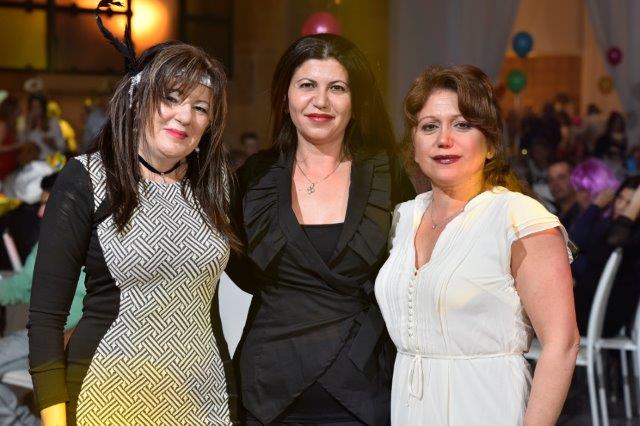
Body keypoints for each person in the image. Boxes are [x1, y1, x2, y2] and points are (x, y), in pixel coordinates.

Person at [28, 5, 238, 424]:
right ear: (138, 100)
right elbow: (46, 320)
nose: (185, 116)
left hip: (205, 399)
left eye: (201, 107)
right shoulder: (87, 178)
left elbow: (209, 307)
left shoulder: (216, 185)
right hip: (106, 398)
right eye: (171, 98)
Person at [375, 65, 579, 425]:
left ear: (491, 144)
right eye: (429, 126)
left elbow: (561, 344)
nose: (444, 139)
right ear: (414, 146)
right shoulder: (403, 217)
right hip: (409, 408)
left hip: (487, 406)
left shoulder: (518, 218)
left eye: (462, 125)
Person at [227, 34, 414, 425]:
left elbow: (408, 268)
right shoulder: (254, 178)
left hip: (363, 387)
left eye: (337, 88)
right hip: (269, 389)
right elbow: (241, 269)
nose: (321, 101)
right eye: (307, 85)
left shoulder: (386, 174)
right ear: (285, 97)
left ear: (356, 101)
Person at [0, 172, 86, 426]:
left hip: (61, 340)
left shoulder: (80, 244)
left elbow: (22, 288)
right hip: (47, 335)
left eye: (46, 203)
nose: (39, 213)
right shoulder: (54, 242)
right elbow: (22, 287)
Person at [570, 175, 640, 335]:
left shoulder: (629, 237)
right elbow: (573, 245)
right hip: (589, 310)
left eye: (630, 203)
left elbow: (577, 258)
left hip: (601, 318)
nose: (621, 206)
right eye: (620, 198)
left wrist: (595, 208)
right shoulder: (608, 227)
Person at [18, 93, 65, 158]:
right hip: (31, 161)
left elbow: (62, 147)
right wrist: (29, 124)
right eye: (33, 107)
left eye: (38, 107)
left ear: (43, 108)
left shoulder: (52, 122)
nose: (35, 110)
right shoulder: (24, 122)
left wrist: (52, 144)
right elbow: (21, 143)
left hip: (49, 160)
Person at [548, 160, 581, 229]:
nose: (555, 184)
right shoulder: (553, 219)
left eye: (561, 178)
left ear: (574, 179)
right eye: (551, 180)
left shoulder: (584, 214)